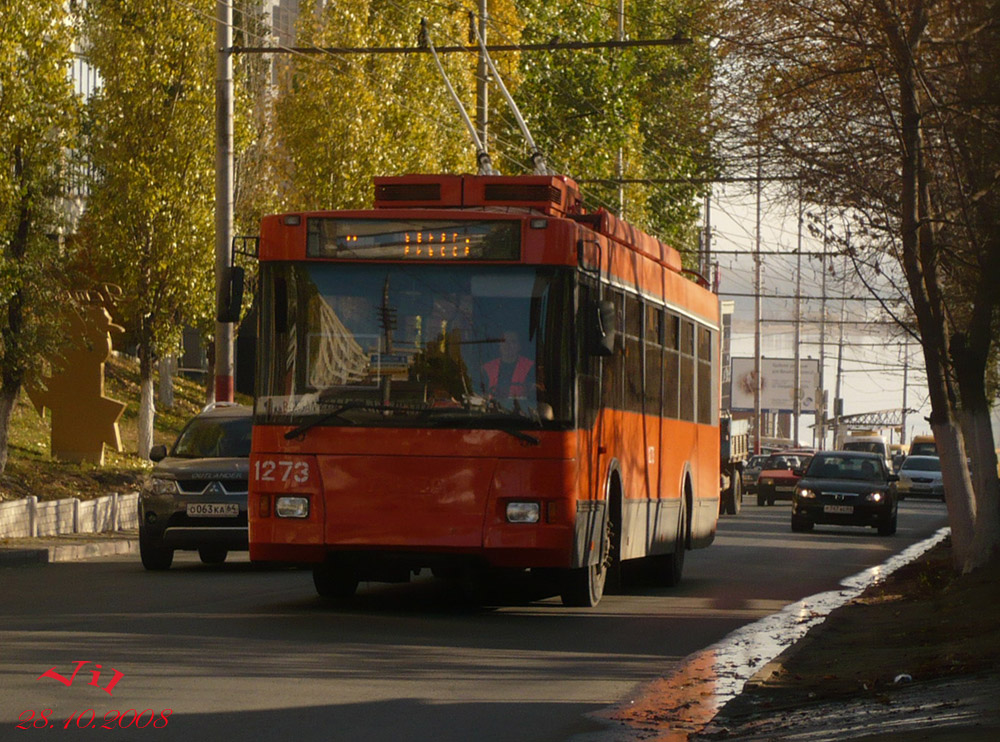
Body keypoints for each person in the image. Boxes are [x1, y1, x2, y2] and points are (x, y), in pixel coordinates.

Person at [482, 330, 535, 402]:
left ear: (519, 346)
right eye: (504, 341)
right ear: (499, 345)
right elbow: (479, 392)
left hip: (523, 411)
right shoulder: (487, 368)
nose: (508, 345)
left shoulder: (531, 367)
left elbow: (535, 394)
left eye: (513, 342)